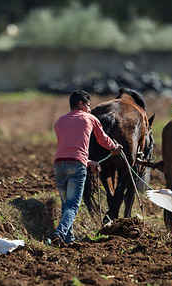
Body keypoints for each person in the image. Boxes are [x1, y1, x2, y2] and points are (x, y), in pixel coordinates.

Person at [48, 90, 122, 247]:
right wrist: (115, 147)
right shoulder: (90, 118)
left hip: (59, 165)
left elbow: (68, 148)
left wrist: (88, 161)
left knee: (66, 204)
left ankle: (69, 239)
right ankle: (59, 233)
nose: (90, 108)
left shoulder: (59, 122)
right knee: (73, 205)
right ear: (81, 104)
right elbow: (103, 140)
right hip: (76, 166)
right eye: (88, 105)